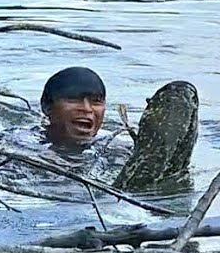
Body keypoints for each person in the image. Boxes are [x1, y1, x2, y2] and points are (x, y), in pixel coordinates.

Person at [37, 66, 200, 193]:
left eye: (96, 102)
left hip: (123, 184)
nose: (87, 109)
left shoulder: (117, 146)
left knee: (180, 93)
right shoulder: (26, 146)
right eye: (73, 100)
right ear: (47, 107)